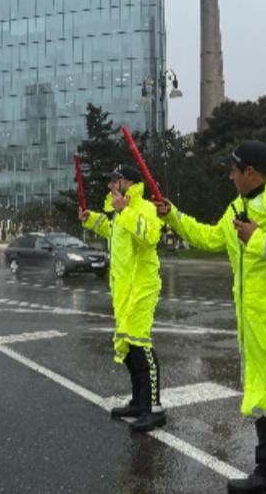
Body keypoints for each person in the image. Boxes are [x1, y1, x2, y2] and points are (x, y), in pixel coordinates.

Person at [154, 140, 266, 494]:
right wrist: (172, 214)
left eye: (234, 170)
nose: (230, 176)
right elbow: (209, 237)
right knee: (263, 404)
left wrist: (260, 239)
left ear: (250, 172)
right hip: (253, 332)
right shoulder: (237, 207)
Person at [79, 164, 165, 432]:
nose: (109, 187)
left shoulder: (144, 208)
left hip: (142, 288)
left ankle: (154, 408)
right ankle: (139, 403)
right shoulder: (119, 214)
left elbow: (150, 236)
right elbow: (112, 229)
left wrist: (125, 211)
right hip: (123, 291)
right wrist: (90, 219)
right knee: (129, 348)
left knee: (141, 347)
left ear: (126, 183)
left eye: (114, 182)